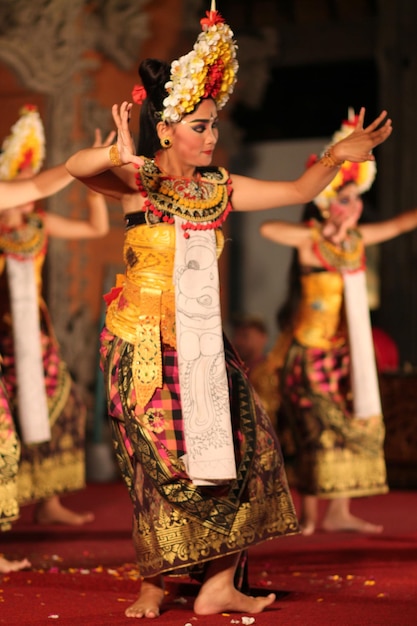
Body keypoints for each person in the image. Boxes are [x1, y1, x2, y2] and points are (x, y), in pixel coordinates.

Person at [65, 2, 392, 617]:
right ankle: (155, 583)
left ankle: (217, 582)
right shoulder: (141, 183)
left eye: (214, 126)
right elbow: (75, 168)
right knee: (159, 461)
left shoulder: (221, 188)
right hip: (143, 346)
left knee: (238, 449)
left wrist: (337, 155)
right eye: (199, 126)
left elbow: (296, 192)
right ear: (167, 130)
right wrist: (111, 154)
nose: (211, 137)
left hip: (203, 347)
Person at [259, 110, 417, 537]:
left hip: (342, 354)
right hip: (308, 354)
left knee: (342, 433)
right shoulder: (313, 243)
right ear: (329, 203)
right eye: (344, 199)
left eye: (357, 199)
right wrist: (322, 230)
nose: (354, 207)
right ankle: (311, 517)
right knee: (312, 432)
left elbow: (402, 223)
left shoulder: (357, 241)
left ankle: (342, 513)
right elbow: (269, 228)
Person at [0, 106, 112, 527]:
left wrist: (90, 177)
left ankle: (47, 501)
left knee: (64, 409)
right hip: (5, 335)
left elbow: (93, 229)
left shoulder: (38, 225)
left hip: (36, 335)